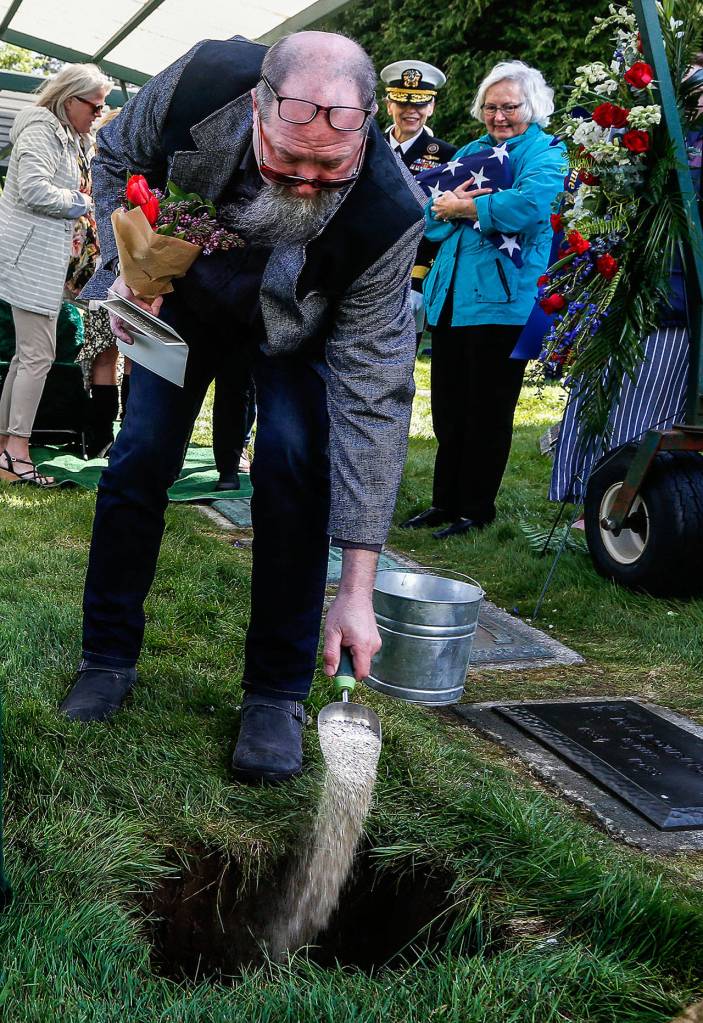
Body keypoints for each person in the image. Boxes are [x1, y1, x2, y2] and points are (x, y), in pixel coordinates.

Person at [60, 32, 424, 785]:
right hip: (184, 302)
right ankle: (107, 655)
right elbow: (115, 157)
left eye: (329, 169)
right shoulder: (200, 81)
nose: (303, 181)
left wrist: (357, 585)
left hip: (295, 328)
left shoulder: (389, 214)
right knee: (140, 456)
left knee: (295, 464)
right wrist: (122, 267)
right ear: (255, 109)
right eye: (288, 158)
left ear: (365, 130)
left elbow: (374, 396)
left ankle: (275, 694)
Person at [401, 60, 565, 538]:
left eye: (509, 107)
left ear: (531, 107)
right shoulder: (472, 150)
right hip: (452, 297)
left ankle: (477, 508)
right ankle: (443, 503)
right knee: (450, 410)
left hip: (503, 301)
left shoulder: (546, 152)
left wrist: (464, 206)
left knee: (488, 412)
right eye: (491, 107)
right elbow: (431, 217)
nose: (499, 116)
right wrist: (446, 209)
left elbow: (534, 208)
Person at [0, 63, 111, 485]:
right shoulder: (41, 129)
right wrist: (86, 200)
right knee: (37, 356)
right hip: (30, 260)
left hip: (41, 260)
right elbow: (33, 188)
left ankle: (4, 447)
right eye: (95, 106)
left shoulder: (71, 135)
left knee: (25, 356)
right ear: (70, 100)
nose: (98, 114)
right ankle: (17, 452)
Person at [381, 60, 456, 342]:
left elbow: (443, 221)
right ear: (390, 105)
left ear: (431, 107)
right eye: (403, 103)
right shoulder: (368, 146)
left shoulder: (448, 157)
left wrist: (417, 282)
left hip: (412, 271)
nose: (411, 112)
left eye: (420, 105)